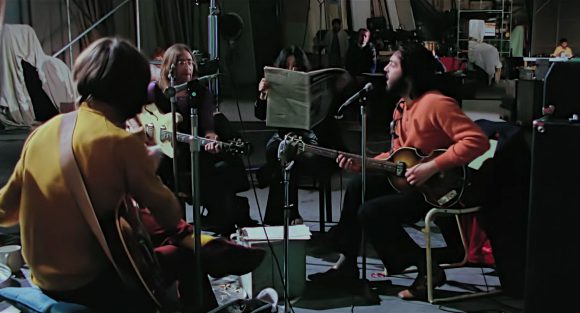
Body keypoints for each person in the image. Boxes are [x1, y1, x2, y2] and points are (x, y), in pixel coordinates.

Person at [0, 37, 264, 313]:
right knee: (185, 255)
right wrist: (150, 162)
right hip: (88, 283)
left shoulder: (42, 133)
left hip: (41, 279)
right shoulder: (120, 144)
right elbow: (171, 214)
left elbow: (5, 212)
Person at [308, 41, 490, 300]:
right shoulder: (402, 108)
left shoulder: (436, 104)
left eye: (392, 65)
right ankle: (347, 264)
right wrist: (364, 162)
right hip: (409, 182)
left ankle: (427, 268)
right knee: (358, 186)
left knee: (372, 212)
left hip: (437, 189)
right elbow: (398, 155)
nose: (385, 70)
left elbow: (477, 141)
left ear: (409, 72)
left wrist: (432, 166)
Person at [148, 43, 254, 235]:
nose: (188, 67)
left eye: (190, 62)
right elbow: (139, 113)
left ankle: (222, 217)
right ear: (170, 66)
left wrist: (211, 140)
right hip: (166, 152)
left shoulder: (200, 92)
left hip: (192, 149)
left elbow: (209, 128)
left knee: (218, 167)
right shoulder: (155, 91)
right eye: (182, 62)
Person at [255, 45, 339, 226]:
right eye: (288, 67)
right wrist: (262, 95)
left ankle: (281, 215)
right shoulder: (274, 84)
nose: (292, 71)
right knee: (279, 150)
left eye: (297, 67)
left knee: (288, 157)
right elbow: (261, 116)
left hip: (308, 136)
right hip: (282, 135)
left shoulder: (311, 88)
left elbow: (325, 121)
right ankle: (291, 214)